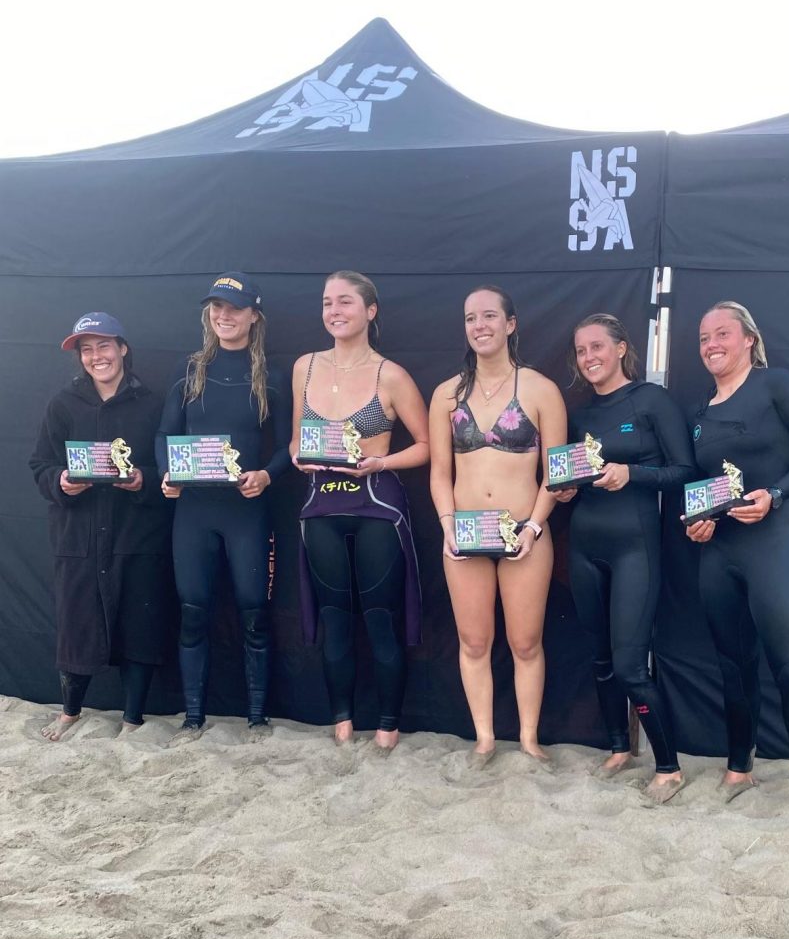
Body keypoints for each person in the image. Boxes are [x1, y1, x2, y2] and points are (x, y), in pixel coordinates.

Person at [684, 301, 789, 816]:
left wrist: (775, 494)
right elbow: (702, 487)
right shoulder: (701, 413)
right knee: (733, 665)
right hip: (720, 552)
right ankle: (739, 765)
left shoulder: (778, 386)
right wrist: (699, 522)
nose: (712, 343)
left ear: (748, 338)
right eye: (704, 336)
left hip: (774, 541)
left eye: (722, 333)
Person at [552, 314, 694, 802]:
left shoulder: (651, 401)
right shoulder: (583, 415)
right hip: (586, 546)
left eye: (597, 347)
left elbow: (684, 471)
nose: (588, 358)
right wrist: (566, 491)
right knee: (600, 658)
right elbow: (569, 475)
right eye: (581, 350)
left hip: (636, 547)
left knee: (632, 665)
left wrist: (632, 474)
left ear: (620, 349)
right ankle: (618, 746)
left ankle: (669, 766)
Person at [291, 271, 429, 751]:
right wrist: (296, 455)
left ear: (370, 311)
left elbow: (427, 446)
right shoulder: (304, 367)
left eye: (346, 301)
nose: (335, 310)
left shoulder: (389, 374)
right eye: (328, 302)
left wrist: (380, 462)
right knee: (334, 617)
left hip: (375, 503)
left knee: (379, 618)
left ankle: (388, 726)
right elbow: (295, 440)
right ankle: (343, 721)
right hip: (319, 504)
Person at [429, 285, 566, 764]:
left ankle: (528, 738)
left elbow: (556, 474)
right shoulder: (447, 394)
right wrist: (447, 524)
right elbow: (439, 472)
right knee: (473, 641)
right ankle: (485, 737)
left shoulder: (540, 389)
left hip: (525, 532)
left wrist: (533, 527)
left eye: (489, 316)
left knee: (526, 642)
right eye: (470, 318)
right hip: (464, 533)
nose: (479, 325)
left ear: (510, 324)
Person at [157, 274, 291, 735]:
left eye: (234, 308)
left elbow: (287, 445)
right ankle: (194, 716)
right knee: (192, 610)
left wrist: (268, 474)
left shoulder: (272, 375)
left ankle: (257, 716)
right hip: (193, 511)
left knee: (254, 612)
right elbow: (164, 435)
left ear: (254, 315)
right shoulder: (189, 369)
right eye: (216, 307)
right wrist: (167, 474)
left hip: (245, 512)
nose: (224, 316)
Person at [29, 312, 173, 739]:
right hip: (79, 537)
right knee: (77, 623)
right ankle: (70, 711)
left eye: (104, 346)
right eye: (87, 350)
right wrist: (61, 481)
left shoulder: (152, 403)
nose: (97, 357)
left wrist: (142, 478)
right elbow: (40, 464)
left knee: (140, 623)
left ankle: (132, 719)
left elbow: (167, 465)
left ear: (123, 348)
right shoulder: (62, 403)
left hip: (137, 535)